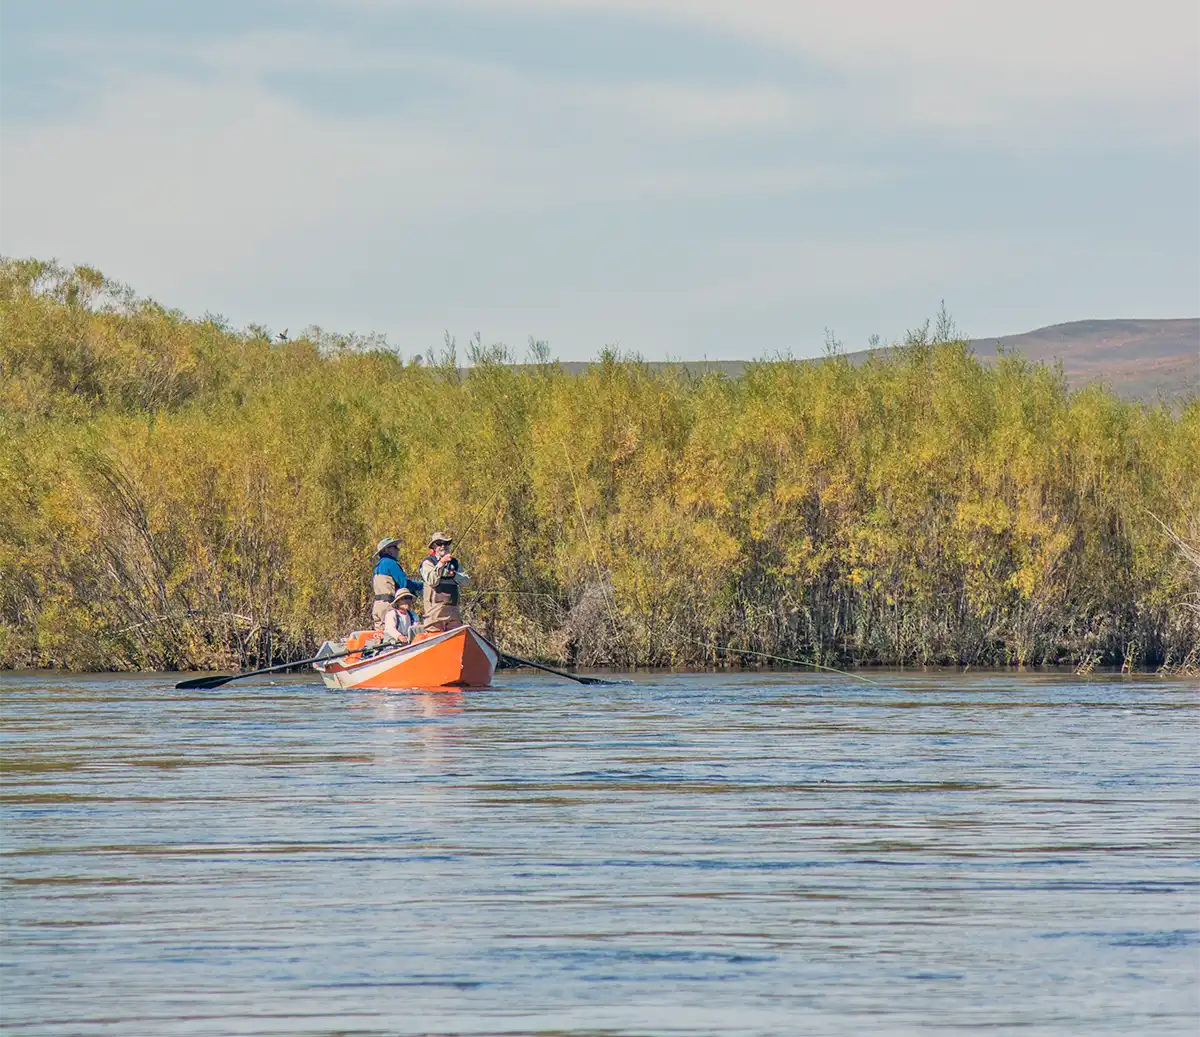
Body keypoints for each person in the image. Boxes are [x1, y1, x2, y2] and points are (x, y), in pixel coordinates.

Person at [419, 531, 470, 632]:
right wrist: (441, 563)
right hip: (434, 612)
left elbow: (466, 581)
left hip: (453, 612)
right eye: (439, 544)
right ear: (433, 547)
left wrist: (454, 574)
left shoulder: (454, 563)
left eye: (446, 544)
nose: (443, 546)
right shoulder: (428, 562)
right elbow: (432, 580)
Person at [371, 537, 423, 632]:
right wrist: (422, 586)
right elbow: (404, 584)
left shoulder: (377, 565)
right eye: (395, 547)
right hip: (388, 604)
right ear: (387, 550)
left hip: (377, 605)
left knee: (380, 635)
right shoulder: (391, 563)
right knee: (392, 636)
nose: (398, 549)